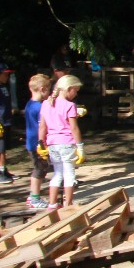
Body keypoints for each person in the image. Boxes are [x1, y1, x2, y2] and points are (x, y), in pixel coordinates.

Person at [37, 74, 85, 209]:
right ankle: (68, 204)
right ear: (68, 89)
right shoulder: (70, 105)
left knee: (57, 173)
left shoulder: (46, 104)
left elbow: (42, 126)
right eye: (75, 90)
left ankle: (52, 203)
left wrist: (40, 143)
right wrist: (80, 147)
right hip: (67, 143)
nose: (76, 94)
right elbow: (74, 128)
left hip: (52, 144)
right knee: (69, 175)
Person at [23, 73, 53, 209]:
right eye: (48, 89)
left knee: (42, 168)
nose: (50, 92)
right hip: (37, 144)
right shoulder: (39, 107)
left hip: (32, 143)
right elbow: (43, 126)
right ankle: (34, 198)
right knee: (39, 169)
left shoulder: (30, 104)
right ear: (42, 89)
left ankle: (33, 196)